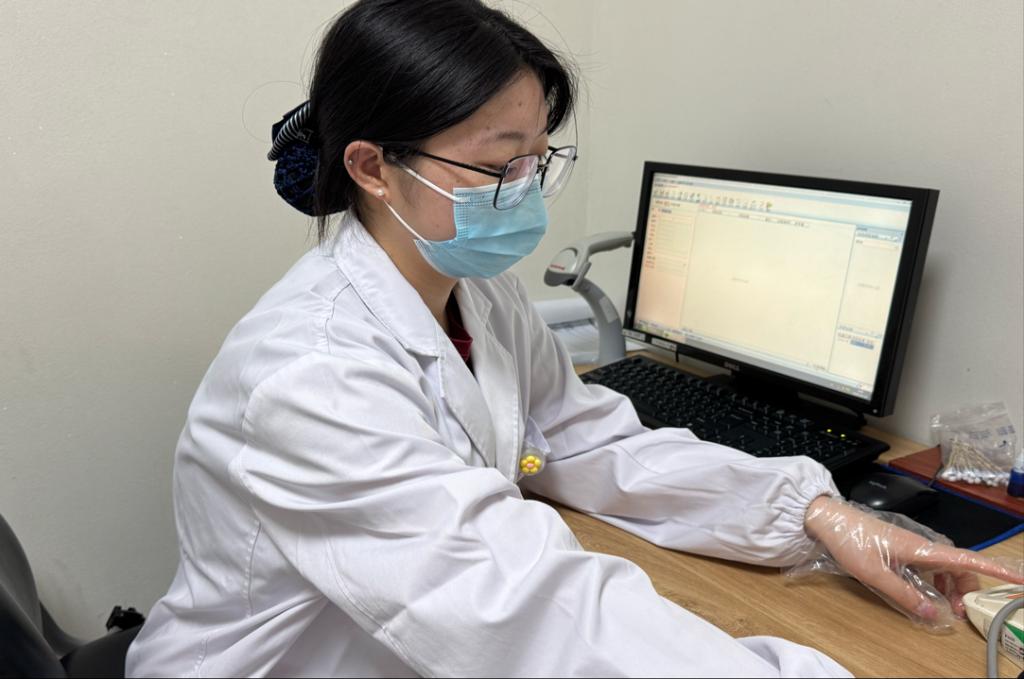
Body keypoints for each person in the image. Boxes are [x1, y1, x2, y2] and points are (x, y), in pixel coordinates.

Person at [125, 1, 1022, 676]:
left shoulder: (478, 294)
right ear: (372, 167)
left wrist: (814, 514)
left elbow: (585, 439)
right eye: (497, 164)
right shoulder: (307, 372)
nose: (526, 188)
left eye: (538, 158)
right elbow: (517, 608)